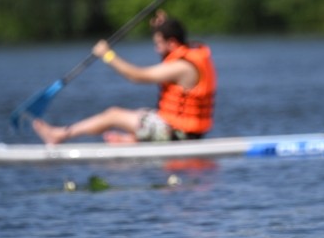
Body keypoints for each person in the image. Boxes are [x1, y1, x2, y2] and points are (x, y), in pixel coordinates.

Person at [32, 10, 216, 144]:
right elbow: (172, 41)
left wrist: (108, 55)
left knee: (114, 115)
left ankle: (60, 135)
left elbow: (137, 76)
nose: (155, 49)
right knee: (139, 113)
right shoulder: (191, 53)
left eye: (158, 44)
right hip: (185, 130)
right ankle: (135, 140)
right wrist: (163, 25)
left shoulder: (181, 67)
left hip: (179, 134)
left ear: (172, 42)